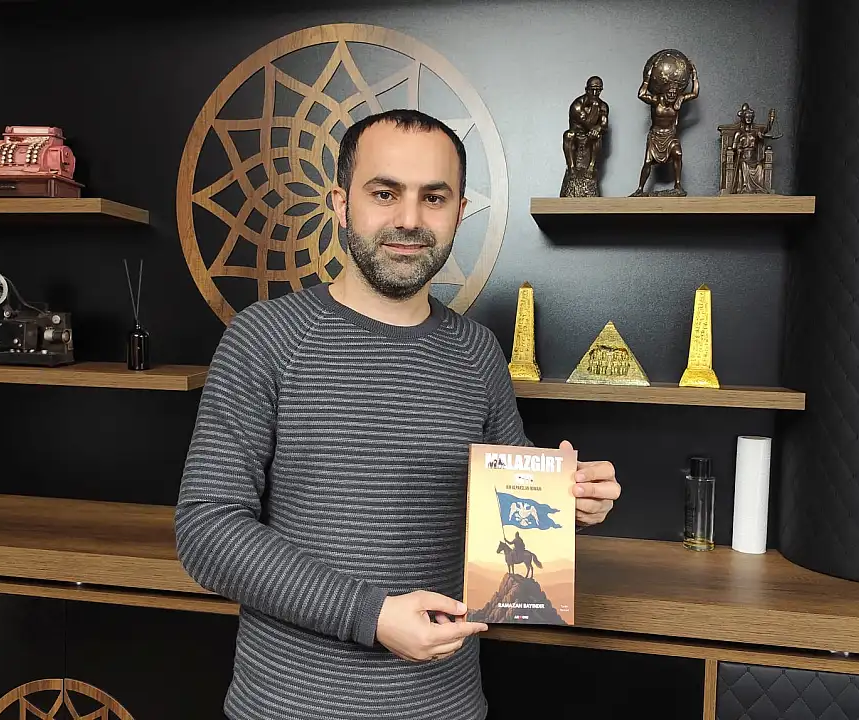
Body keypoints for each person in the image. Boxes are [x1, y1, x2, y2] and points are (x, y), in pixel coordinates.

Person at [175, 108, 621, 720]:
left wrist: (569, 505)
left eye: (433, 197)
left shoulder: (478, 353)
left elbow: (504, 514)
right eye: (385, 193)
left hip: (446, 704)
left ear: (459, 211)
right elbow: (207, 530)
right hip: (288, 707)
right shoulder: (265, 339)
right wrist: (372, 615)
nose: (409, 219)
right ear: (341, 203)